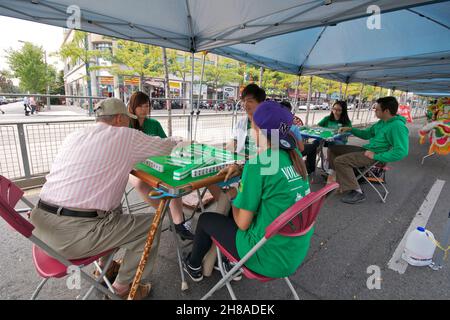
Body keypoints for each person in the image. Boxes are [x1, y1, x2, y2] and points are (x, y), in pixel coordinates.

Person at [30, 98, 180, 299]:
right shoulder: (125, 135)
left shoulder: (75, 135)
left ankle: (104, 267)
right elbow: (165, 148)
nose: (129, 123)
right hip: (72, 238)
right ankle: (122, 288)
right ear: (119, 118)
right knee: (150, 225)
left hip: (38, 229)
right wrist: (179, 140)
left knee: (113, 207)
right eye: (128, 119)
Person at [182, 101, 313, 282]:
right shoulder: (295, 156)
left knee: (206, 219)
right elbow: (271, 177)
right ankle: (228, 262)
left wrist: (235, 196)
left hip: (264, 256)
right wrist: (243, 169)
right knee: (242, 210)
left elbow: (243, 224)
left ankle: (194, 265)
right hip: (293, 252)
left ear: (258, 130)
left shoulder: (257, 165)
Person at [127, 91, 194, 240]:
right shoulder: (127, 125)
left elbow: (166, 144)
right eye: (140, 106)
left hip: (156, 164)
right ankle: (167, 213)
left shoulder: (154, 124)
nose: (144, 109)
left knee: (173, 179)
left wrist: (177, 142)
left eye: (147, 106)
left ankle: (178, 223)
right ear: (132, 107)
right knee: (140, 183)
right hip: (134, 167)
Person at [328, 96, 409, 204]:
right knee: (332, 149)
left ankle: (357, 192)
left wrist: (376, 156)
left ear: (387, 111)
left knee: (340, 161)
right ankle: (340, 181)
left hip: (376, 155)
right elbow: (366, 134)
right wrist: (351, 129)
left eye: (377, 109)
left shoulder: (397, 126)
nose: (375, 110)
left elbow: (401, 151)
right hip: (367, 150)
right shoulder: (382, 122)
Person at [279, 100, 318, 176]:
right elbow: (301, 149)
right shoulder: (293, 128)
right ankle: (309, 170)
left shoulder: (270, 125)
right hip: (292, 153)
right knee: (313, 146)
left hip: (278, 153)